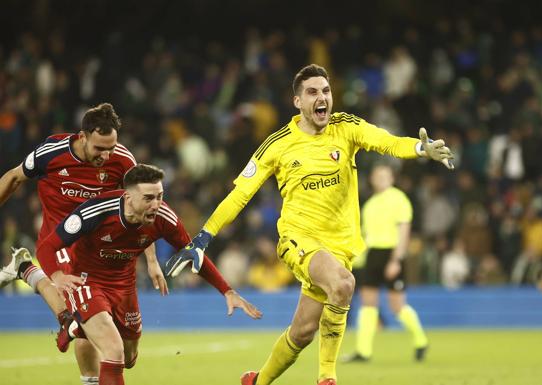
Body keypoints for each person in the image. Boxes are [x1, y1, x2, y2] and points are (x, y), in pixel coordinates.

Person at [165, 63, 454, 385]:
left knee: (302, 332)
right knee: (343, 285)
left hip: (339, 246)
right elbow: (239, 195)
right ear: (298, 102)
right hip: (298, 238)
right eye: (313, 92)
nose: (322, 98)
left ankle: (256, 382)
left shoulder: (347, 127)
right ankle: (327, 378)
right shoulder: (277, 144)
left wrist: (418, 148)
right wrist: (203, 237)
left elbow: (386, 141)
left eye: (326, 91)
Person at [36, 163, 262, 385]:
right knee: (113, 351)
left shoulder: (165, 217)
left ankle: (77, 327)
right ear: (127, 198)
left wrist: (227, 290)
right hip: (87, 281)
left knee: (128, 359)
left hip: (124, 284)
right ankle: (70, 312)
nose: (156, 205)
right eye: (148, 198)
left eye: (160, 196)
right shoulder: (95, 211)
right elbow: (46, 248)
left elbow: (193, 254)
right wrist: (57, 276)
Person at [0, 103, 167, 385]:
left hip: (100, 247)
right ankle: (66, 320)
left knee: (121, 352)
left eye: (111, 147)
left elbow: (142, 209)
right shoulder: (50, 153)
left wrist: (151, 260)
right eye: (99, 148)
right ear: (83, 136)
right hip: (60, 239)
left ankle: (26, 269)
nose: (106, 155)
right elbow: (14, 177)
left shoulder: (123, 161)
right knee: (82, 318)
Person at [342, 163, 428, 363]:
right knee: (368, 303)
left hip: (391, 253)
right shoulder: (370, 204)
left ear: (391, 178)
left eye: (384, 174)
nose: (380, 178)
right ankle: (363, 351)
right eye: (377, 175)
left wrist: (396, 260)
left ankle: (421, 340)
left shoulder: (399, 199)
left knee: (397, 305)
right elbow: (366, 235)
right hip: (372, 256)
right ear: (372, 179)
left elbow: (404, 231)